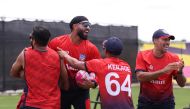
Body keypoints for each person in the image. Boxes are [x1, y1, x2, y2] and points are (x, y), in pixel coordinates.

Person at [57, 37, 135, 109]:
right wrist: (94, 82)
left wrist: (65, 55)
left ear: (106, 50)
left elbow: (75, 64)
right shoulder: (126, 66)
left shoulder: (100, 64)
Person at [48, 16, 101, 109]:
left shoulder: (92, 48)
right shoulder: (56, 43)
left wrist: (94, 83)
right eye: (85, 25)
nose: (88, 28)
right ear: (74, 26)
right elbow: (47, 63)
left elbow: (99, 70)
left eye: (89, 25)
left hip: (81, 92)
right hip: (61, 90)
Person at [10, 26, 69, 109]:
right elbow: (65, 84)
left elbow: (13, 72)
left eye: (31, 37)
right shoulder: (58, 57)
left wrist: (26, 75)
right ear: (48, 40)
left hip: (31, 104)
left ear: (33, 41)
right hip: (53, 105)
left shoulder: (25, 54)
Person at [135, 29, 187, 109]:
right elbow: (140, 77)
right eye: (164, 39)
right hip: (146, 102)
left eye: (169, 40)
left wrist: (180, 72)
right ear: (155, 41)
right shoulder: (142, 55)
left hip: (166, 103)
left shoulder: (174, 58)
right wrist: (164, 71)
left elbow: (182, 84)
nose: (168, 42)